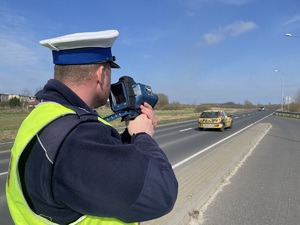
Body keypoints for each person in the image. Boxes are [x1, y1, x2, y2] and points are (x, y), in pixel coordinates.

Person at [6, 30, 178, 225]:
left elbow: (102, 155)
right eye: (110, 71)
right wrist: (143, 136)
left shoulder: (44, 115)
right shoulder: (77, 139)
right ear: (101, 74)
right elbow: (162, 193)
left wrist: (132, 135)